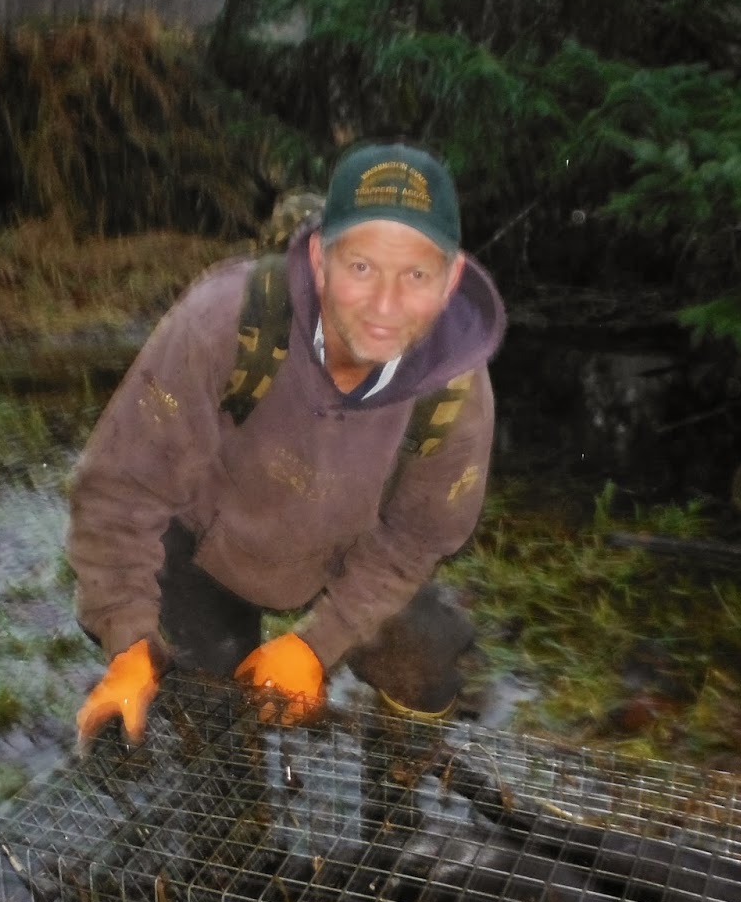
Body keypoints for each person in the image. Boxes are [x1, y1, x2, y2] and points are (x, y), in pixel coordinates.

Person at [67, 142, 506, 744]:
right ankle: (234, 787)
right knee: (213, 714)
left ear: (451, 280)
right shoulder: (221, 321)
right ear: (320, 259)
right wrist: (129, 641)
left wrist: (315, 646)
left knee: (426, 661)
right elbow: (121, 489)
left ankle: (397, 784)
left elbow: (416, 537)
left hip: (343, 552)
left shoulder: (454, 389)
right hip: (205, 543)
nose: (385, 305)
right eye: (361, 268)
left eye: (416, 275)